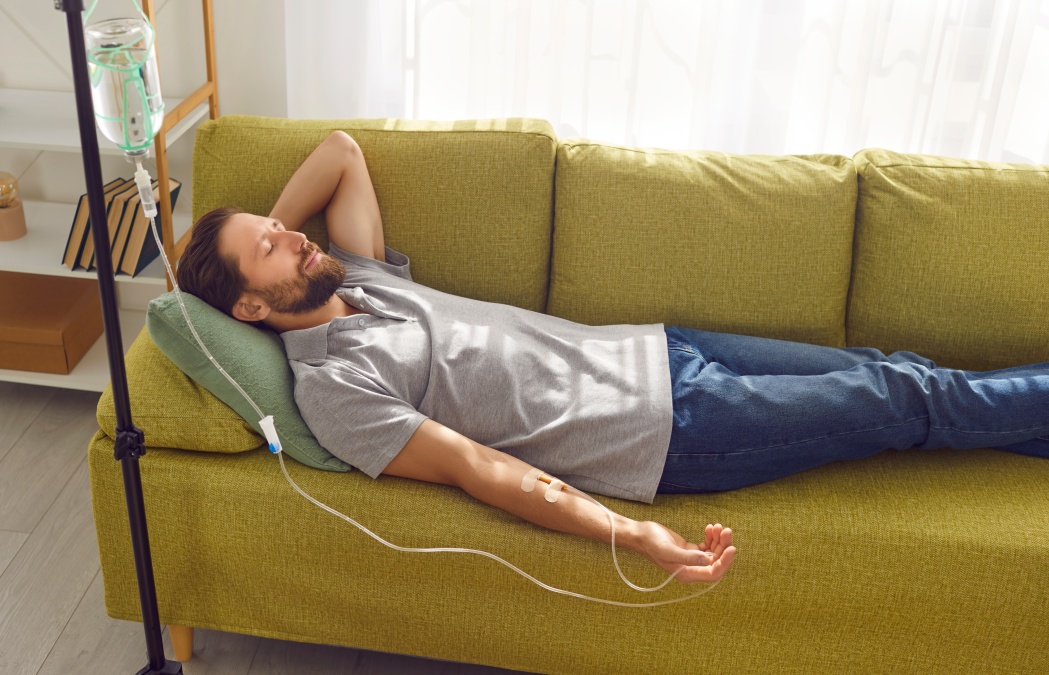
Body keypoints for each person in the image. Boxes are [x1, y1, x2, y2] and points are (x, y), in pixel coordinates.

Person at [175, 131, 1049, 585]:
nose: (293, 237)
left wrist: (249, 235)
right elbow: (480, 470)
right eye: (273, 250)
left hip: (662, 349)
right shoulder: (334, 390)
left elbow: (340, 153)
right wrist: (631, 532)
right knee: (900, 394)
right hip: (668, 433)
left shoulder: (355, 275)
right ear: (252, 306)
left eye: (281, 227)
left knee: (894, 371)